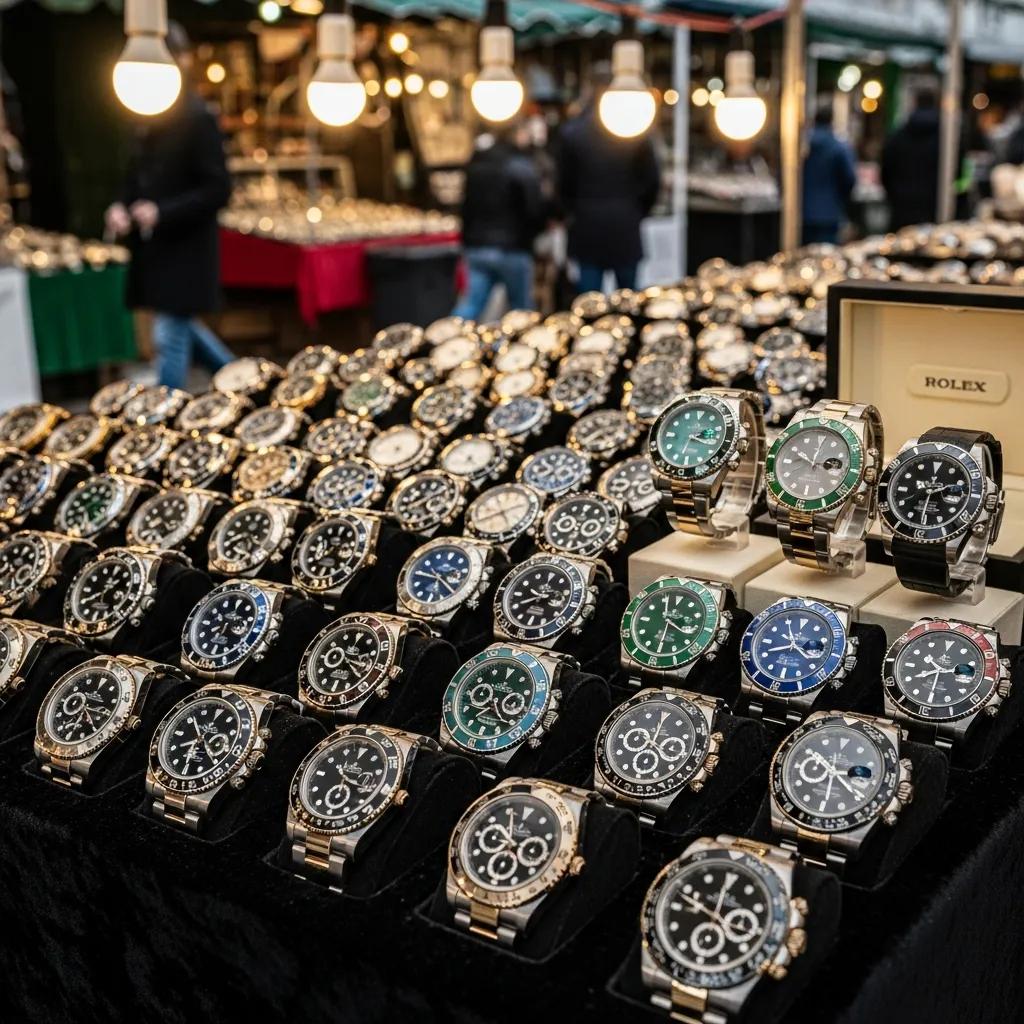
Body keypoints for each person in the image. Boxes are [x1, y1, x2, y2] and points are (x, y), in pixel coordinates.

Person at [105, 23, 233, 391]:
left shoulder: (198, 117)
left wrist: (163, 211)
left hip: (186, 250)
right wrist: (120, 206)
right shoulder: (143, 111)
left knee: (171, 333)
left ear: (182, 61)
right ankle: (243, 382)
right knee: (180, 328)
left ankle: (165, 407)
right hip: (156, 251)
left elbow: (219, 189)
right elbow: (135, 176)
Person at [556, 63, 660, 294]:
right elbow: (652, 181)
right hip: (625, 224)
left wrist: (572, 211)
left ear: (589, 87)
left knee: (590, 303)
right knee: (628, 301)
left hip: (587, 225)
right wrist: (635, 210)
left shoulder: (573, 132)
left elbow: (563, 185)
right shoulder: (637, 130)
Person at [453, 129, 544, 320]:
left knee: (470, 305)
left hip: (477, 246)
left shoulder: (476, 166)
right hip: (513, 247)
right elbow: (534, 208)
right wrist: (532, 237)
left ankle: (449, 336)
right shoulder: (520, 166)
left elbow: (465, 207)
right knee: (522, 312)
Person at [881, 86, 942, 231]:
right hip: (934, 208)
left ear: (915, 103)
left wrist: (893, 195)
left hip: (902, 207)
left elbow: (885, 170)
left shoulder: (898, 136)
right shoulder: (945, 140)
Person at [801, 100, 856, 245]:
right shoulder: (838, 146)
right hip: (830, 213)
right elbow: (849, 178)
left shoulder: (802, 145)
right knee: (827, 255)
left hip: (802, 212)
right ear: (832, 120)